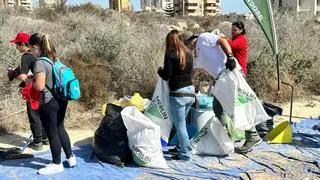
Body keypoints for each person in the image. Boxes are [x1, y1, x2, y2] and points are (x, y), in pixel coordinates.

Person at [183, 31, 262, 154]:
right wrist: (188, 84)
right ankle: (225, 136)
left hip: (228, 73)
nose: (186, 49)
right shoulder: (197, 54)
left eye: (185, 45)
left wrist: (230, 57)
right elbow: (194, 70)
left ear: (189, 40)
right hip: (220, 80)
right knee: (219, 108)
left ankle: (252, 135)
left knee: (237, 106)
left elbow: (222, 40)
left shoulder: (203, 38)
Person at [28, 33, 76, 175]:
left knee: (52, 133)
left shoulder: (40, 62)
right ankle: (70, 157)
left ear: (36, 47)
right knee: (60, 127)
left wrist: (30, 82)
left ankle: (56, 163)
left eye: (31, 48)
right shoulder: (54, 58)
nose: (30, 51)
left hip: (48, 102)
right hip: (61, 99)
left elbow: (40, 86)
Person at [158, 30, 195, 161]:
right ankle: (181, 148)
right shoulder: (190, 53)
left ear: (169, 41)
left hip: (178, 94)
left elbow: (167, 75)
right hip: (190, 92)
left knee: (180, 125)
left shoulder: (170, 54)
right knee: (182, 124)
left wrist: (159, 71)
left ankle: (185, 153)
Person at [8, 32, 48, 151]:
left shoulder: (25, 56)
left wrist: (14, 74)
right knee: (42, 113)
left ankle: (37, 142)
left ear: (23, 44)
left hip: (34, 89)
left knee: (33, 115)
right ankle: (45, 138)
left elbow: (25, 78)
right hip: (45, 88)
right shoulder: (39, 54)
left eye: (17, 44)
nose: (16, 47)